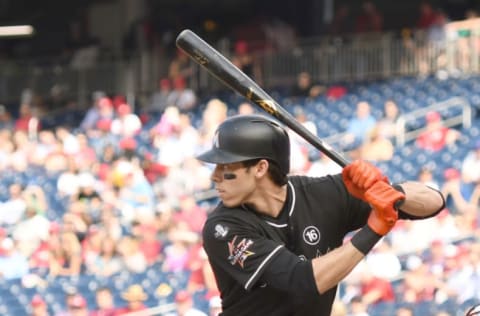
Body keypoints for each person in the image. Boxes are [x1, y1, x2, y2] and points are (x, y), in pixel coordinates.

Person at [196, 114, 445, 315]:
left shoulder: (322, 193)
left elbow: (434, 202)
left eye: (227, 168)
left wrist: (388, 192)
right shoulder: (222, 227)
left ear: (261, 168)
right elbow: (301, 282)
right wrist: (374, 229)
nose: (215, 177)